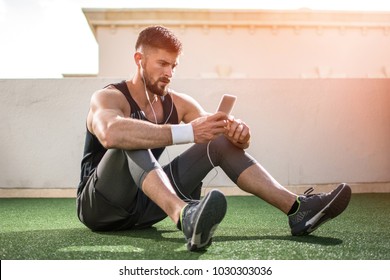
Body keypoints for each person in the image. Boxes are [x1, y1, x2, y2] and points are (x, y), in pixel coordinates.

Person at [76, 25, 351, 252]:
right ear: (139, 60)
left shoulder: (178, 102)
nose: (169, 73)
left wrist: (237, 135)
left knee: (217, 143)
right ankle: (186, 216)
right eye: (162, 64)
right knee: (130, 136)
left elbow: (212, 131)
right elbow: (110, 133)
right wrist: (188, 132)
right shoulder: (109, 97)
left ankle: (297, 209)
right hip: (100, 208)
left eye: (173, 65)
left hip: (144, 209)